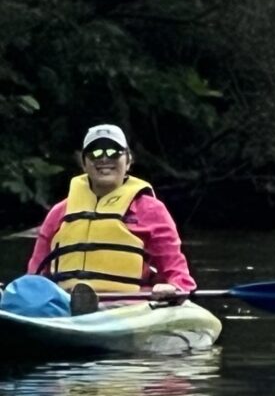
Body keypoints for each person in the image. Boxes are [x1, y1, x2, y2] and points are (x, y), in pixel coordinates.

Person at [22, 125, 196, 312]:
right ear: (84, 163)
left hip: (129, 308)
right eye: (95, 153)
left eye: (114, 152)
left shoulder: (151, 210)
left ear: (128, 160)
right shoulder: (59, 212)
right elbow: (35, 275)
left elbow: (177, 273)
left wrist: (173, 288)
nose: (104, 158)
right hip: (64, 306)